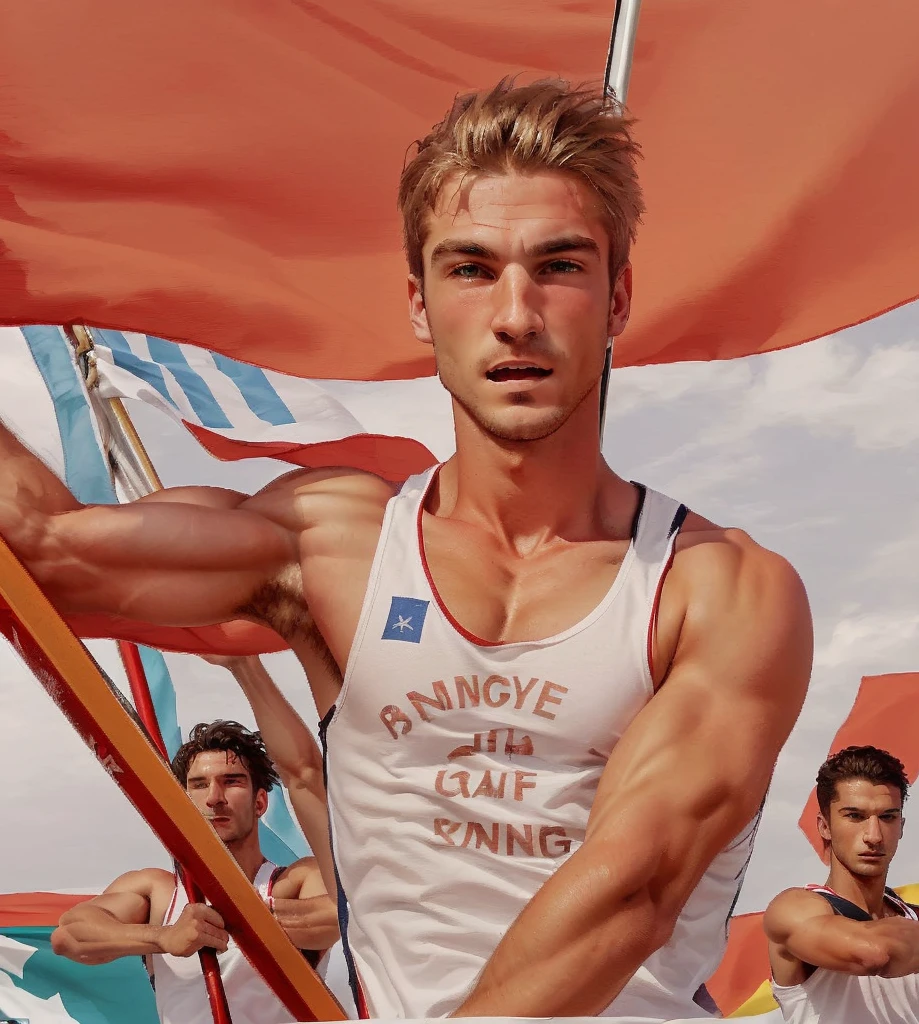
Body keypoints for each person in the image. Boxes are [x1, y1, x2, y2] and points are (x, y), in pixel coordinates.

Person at [3, 77, 813, 1019]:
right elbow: (45, 554)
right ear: (422, 306)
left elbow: (631, 893)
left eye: (559, 265)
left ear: (618, 295)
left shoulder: (722, 590)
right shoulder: (334, 546)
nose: (517, 314)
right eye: (471, 269)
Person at [50, 720, 339, 1024]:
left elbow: (339, 917)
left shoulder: (293, 880)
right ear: (184, 802)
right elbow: (69, 935)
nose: (214, 797)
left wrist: (226, 916)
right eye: (199, 785)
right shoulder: (157, 891)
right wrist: (164, 936)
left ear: (260, 802)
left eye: (232, 781)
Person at [763, 745, 919, 1023]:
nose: (874, 836)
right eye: (855, 816)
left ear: (901, 825)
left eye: (887, 817)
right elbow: (874, 954)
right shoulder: (794, 908)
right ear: (824, 826)